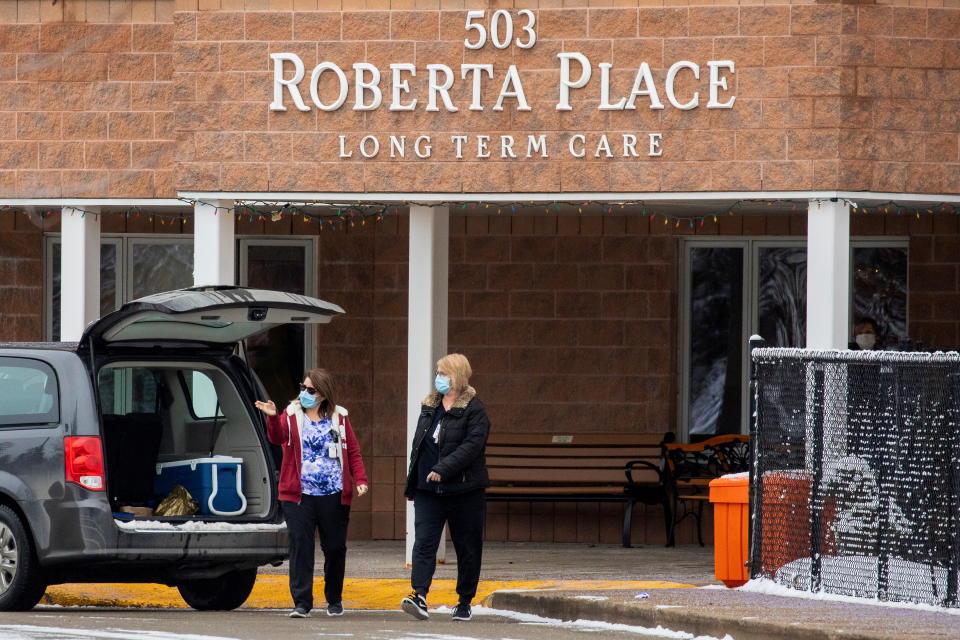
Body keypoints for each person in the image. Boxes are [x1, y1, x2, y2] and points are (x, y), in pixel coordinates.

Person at [255, 368, 368, 619]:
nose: (304, 393)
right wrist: (273, 417)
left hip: (334, 494)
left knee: (335, 548)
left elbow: (353, 452)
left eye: (310, 390)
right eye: (303, 387)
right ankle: (302, 602)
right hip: (299, 495)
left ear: (323, 394)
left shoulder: (339, 418)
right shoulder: (292, 415)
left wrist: (359, 479)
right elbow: (276, 438)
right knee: (301, 547)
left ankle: (334, 600)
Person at [401, 353, 491, 623]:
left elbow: (472, 447)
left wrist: (444, 469)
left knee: (467, 546)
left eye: (443, 373)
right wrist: (413, 481)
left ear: (457, 377)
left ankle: (464, 601)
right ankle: (419, 595)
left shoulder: (475, 410)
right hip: (428, 490)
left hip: (464, 491)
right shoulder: (430, 406)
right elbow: (419, 446)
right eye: (437, 373)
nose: (437, 378)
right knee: (424, 543)